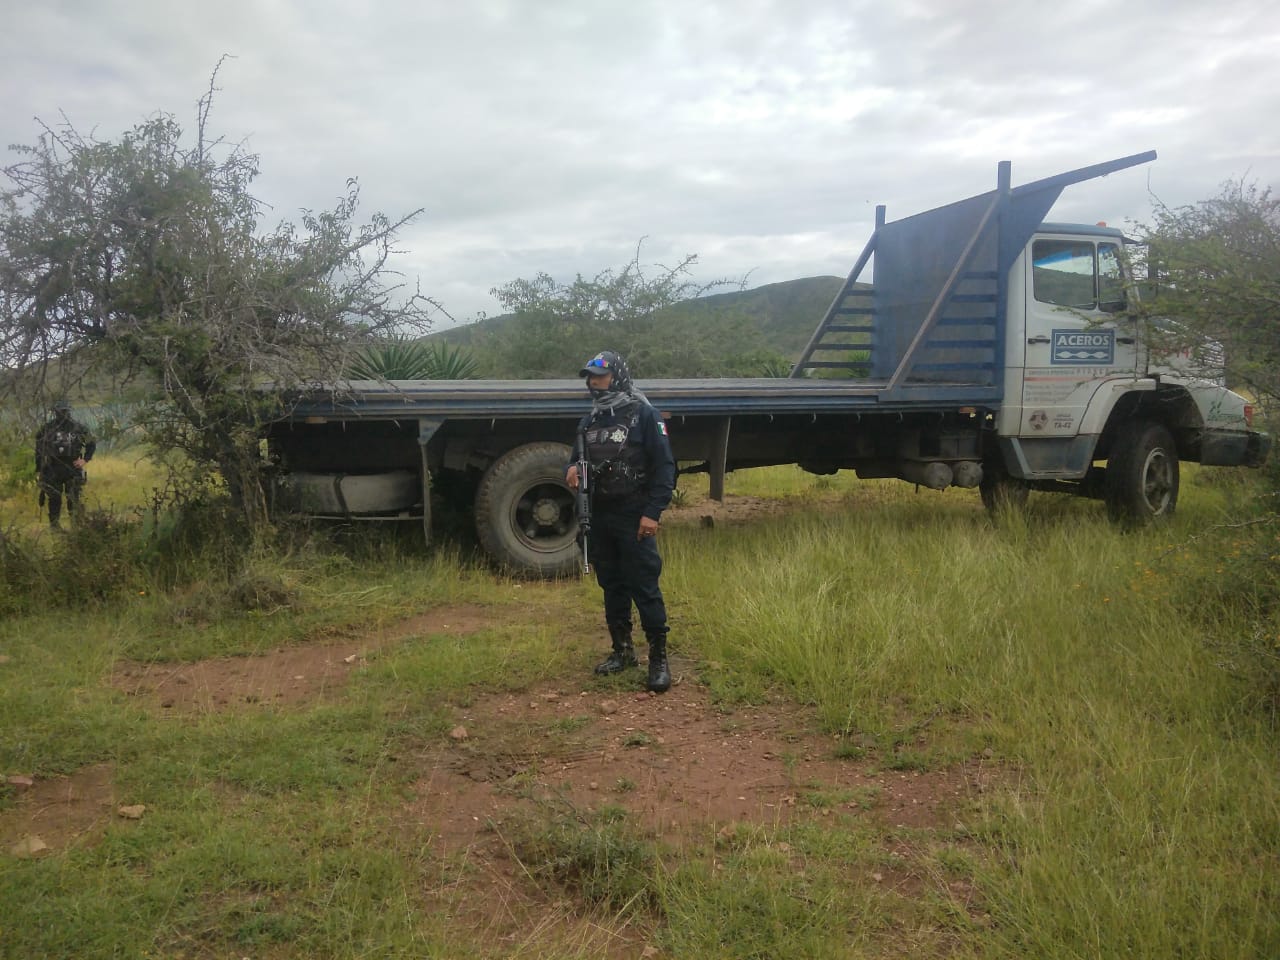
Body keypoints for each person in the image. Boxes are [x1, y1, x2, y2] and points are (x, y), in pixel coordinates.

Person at [566, 350, 676, 693]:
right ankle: (622, 651)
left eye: (600, 376)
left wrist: (652, 513)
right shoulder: (589, 422)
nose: (593, 382)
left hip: (634, 513)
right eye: (590, 377)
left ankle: (658, 659)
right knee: (612, 585)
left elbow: (665, 467)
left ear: (618, 376)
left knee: (644, 585)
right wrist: (571, 469)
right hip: (600, 516)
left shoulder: (644, 415)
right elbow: (575, 460)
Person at [35, 400, 96, 529]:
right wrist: (39, 469)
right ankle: (55, 527)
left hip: (72, 466)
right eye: (59, 411)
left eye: (64, 411)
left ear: (68, 411)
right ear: (55, 412)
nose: (62, 414)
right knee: (54, 499)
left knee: (73, 499)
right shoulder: (47, 428)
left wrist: (85, 460)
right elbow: (38, 449)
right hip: (52, 467)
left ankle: (76, 527)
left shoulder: (78, 427)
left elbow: (91, 444)